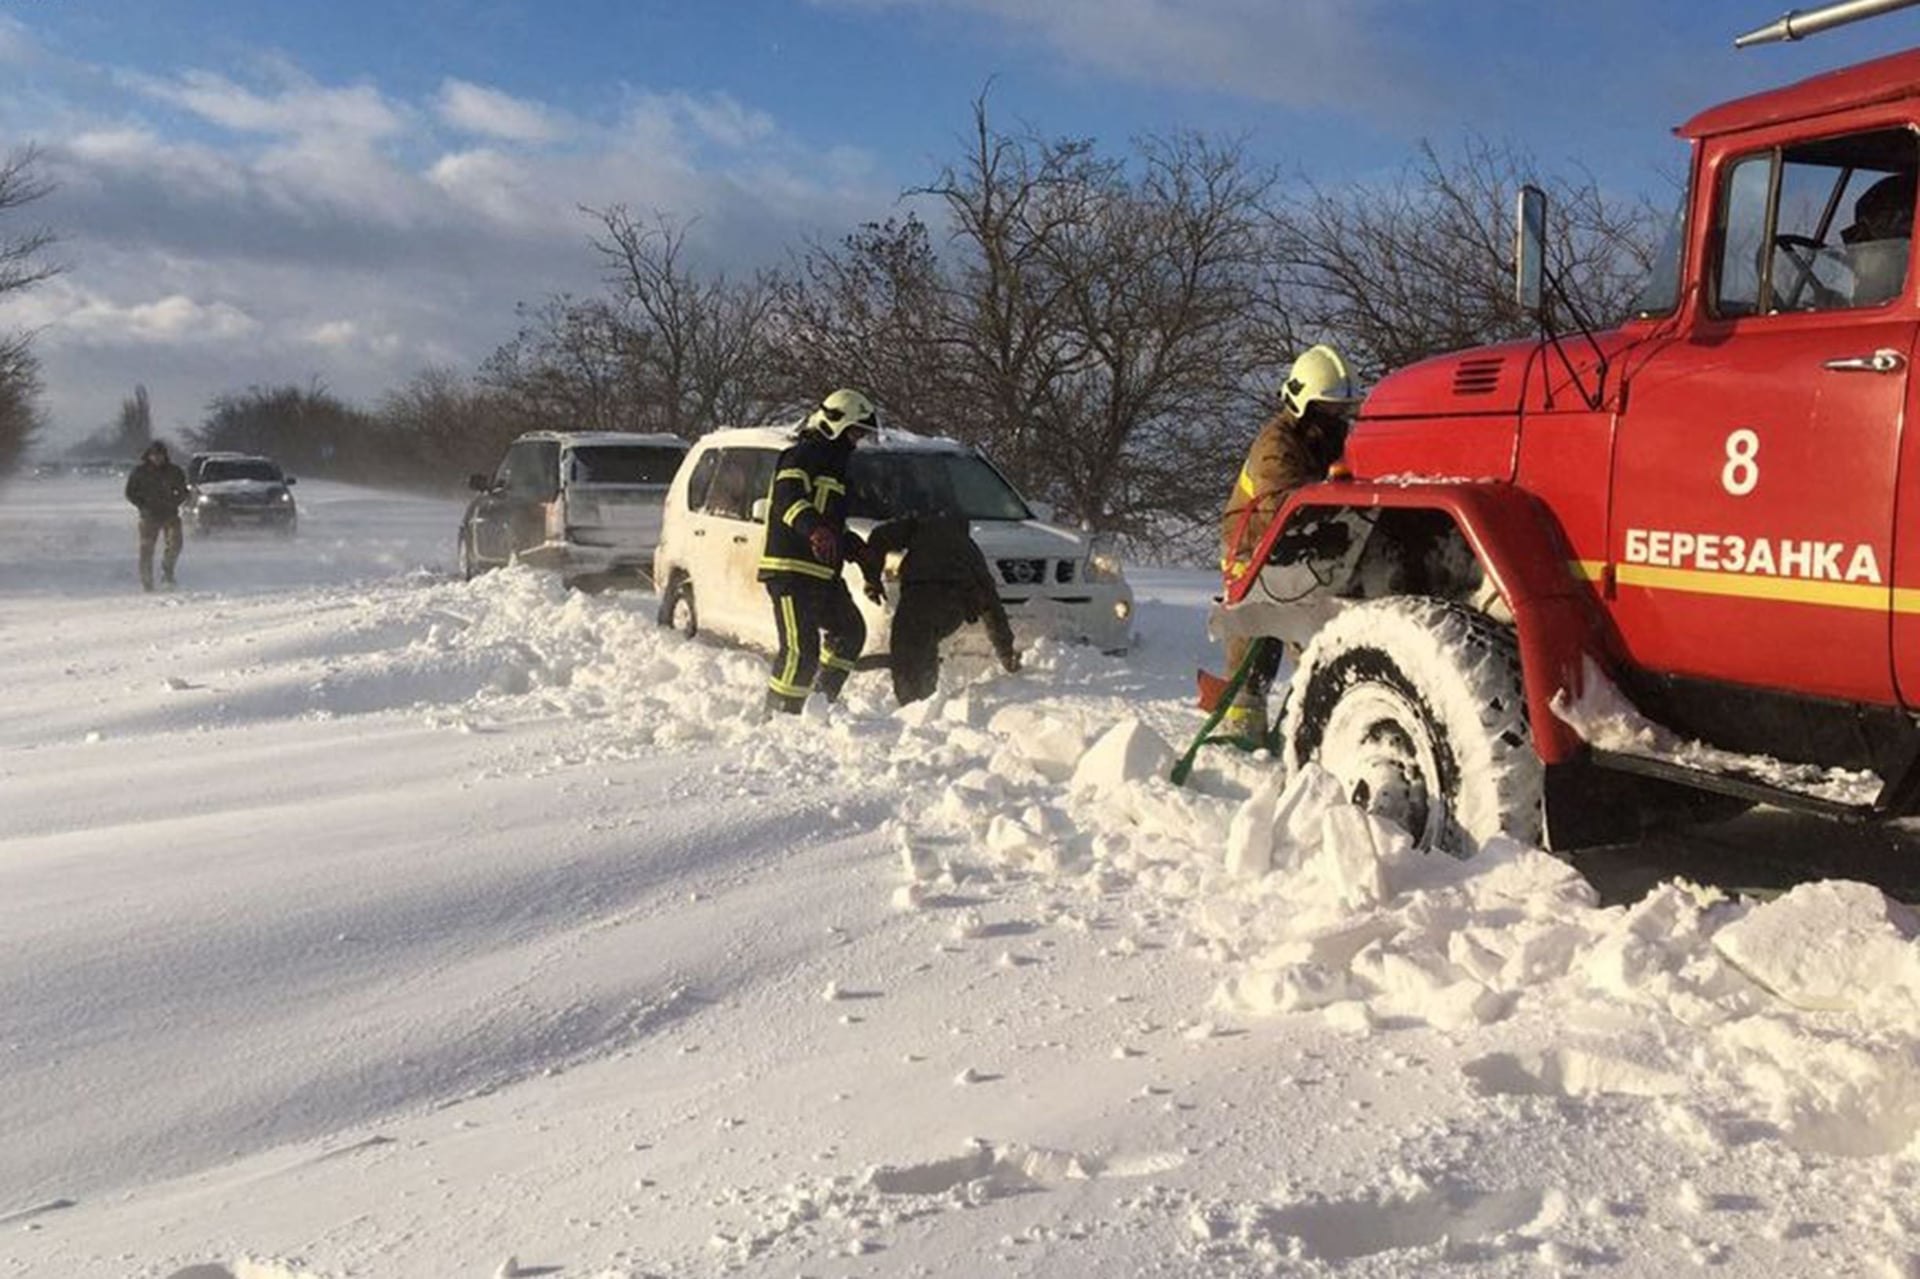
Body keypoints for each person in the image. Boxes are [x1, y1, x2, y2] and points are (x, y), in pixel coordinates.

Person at [1215, 344, 1360, 742]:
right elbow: (1282, 505)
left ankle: (1315, 721)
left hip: (1299, 550)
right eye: (1327, 411)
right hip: (1252, 548)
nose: (1336, 421)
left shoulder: (1331, 441)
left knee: (1312, 638)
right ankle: (1239, 733)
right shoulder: (1275, 446)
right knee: (1255, 642)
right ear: (1302, 406)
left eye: (1342, 411)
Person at [758, 388, 877, 714]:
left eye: (861, 435)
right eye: (854, 432)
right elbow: (788, 500)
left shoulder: (838, 470)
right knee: (801, 650)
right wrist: (814, 530)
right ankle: (780, 717)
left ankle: (820, 704)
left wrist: (853, 546)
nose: (856, 441)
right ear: (834, 424)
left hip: (823, 574)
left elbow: (833, 524)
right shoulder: (800, 456)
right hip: (791, 571)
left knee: (850, 632)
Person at [857, 512, 1021, 705]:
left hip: (917, 599)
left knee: (906, 652)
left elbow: (879, 537)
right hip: (951, 606)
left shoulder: (918, 527)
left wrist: (872, 579)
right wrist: (1006, 652)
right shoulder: (969, 549)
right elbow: (992, 605)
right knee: (924, 645)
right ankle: (926, 700)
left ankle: (911, 704)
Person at [124, 440, 189, 592]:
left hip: (170, 514)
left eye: (160, 455)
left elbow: (183, 491)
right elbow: (130, 492)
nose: (158, 458)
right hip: (149, 516)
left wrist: (175, 501)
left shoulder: (174, 471)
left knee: (175, 545)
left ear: (165, 456)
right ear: (149, 456)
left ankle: (167, 572)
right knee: (146, 548)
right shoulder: (140, 472)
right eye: (154, 455)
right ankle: (147, 581)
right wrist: (142, 505)